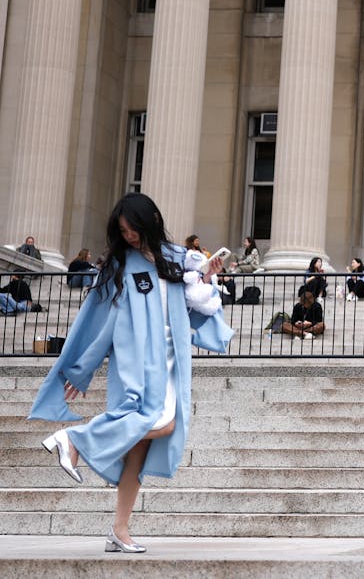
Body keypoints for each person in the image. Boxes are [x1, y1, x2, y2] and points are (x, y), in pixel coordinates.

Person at [27, 192, 233, 553]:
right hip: (138, 360)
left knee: (141, 445)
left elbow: (194, 309)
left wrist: (205, 278)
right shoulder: (120, 265)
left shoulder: (177, 258)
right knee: (161, 423)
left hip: (170, 358)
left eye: (133, 229)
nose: (129, 236)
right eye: (122, 231)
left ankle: (119, 530)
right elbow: (100, 323)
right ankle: (74, 440)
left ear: (149, 222)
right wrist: (82, 369)